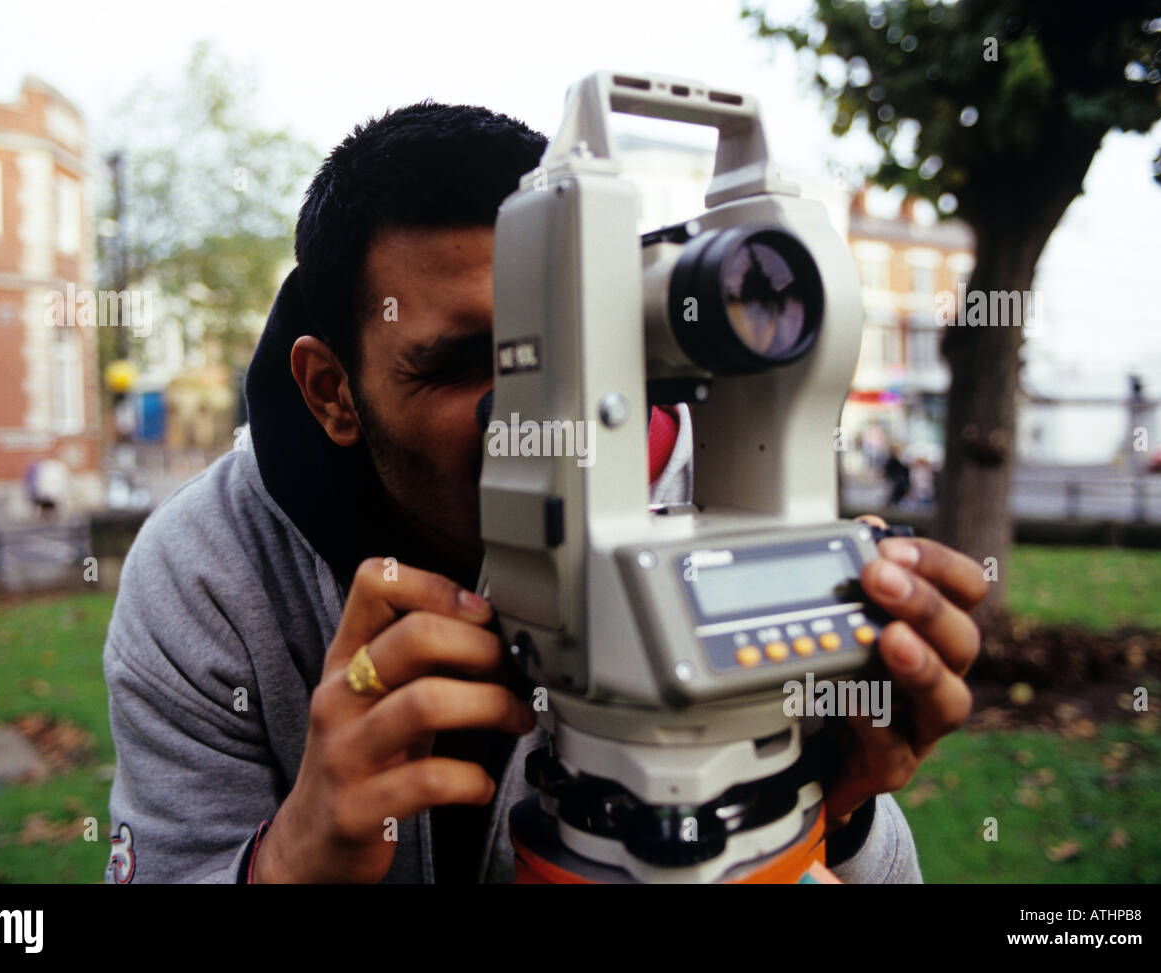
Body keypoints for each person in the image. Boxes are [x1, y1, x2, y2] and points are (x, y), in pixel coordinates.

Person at [103, 101, 989, 885]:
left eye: (558, 346)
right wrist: (292, 861)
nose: (527, 416)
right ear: (332, 391)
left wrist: (829, 808)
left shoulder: (707, 507)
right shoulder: (208, 578)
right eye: (465, 364)